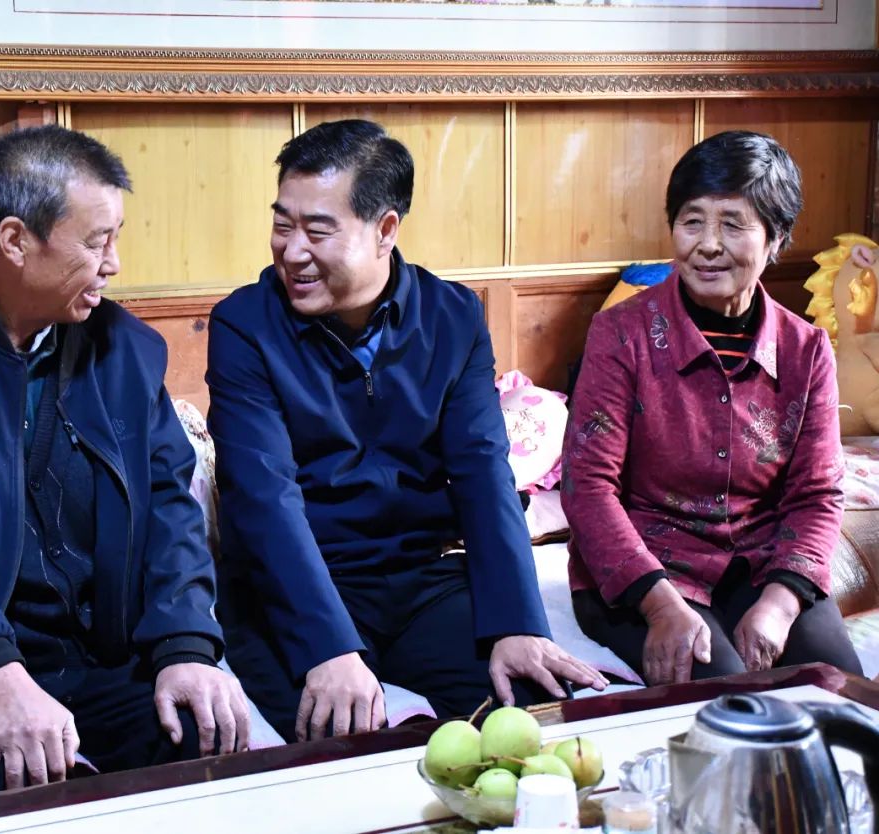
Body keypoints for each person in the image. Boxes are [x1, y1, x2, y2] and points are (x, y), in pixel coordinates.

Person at [0, 125, 249, 799]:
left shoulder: (127, 349)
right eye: (96, 241)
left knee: (210, 746)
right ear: (14, 240)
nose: (114, 263)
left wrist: (184, 646)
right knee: (24, 779)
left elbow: (172, 510)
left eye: (115, 238)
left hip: (102, 657)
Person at [206, 119, 607, 744]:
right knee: (337, 740)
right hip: (299, 585)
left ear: (385, 229)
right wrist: (328, 647)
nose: (292, 251)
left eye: (318, 230)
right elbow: (264, 498)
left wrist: (518, 622)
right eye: (283, 225)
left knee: (533, 714)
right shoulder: (244, 326)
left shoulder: (453, 316)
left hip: (423, 579)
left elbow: (482, 472)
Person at [562, 130, 863, 685]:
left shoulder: (806, 350)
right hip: (649, 568)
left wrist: (779, 606)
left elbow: (818, 493)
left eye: (732, 224)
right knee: (727, 691)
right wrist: (658, 606)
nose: (707, 244)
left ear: (775, 238)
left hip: (763, 563)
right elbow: (588, 487)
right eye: (692, 221)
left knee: (835, 688)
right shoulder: (620, 334)